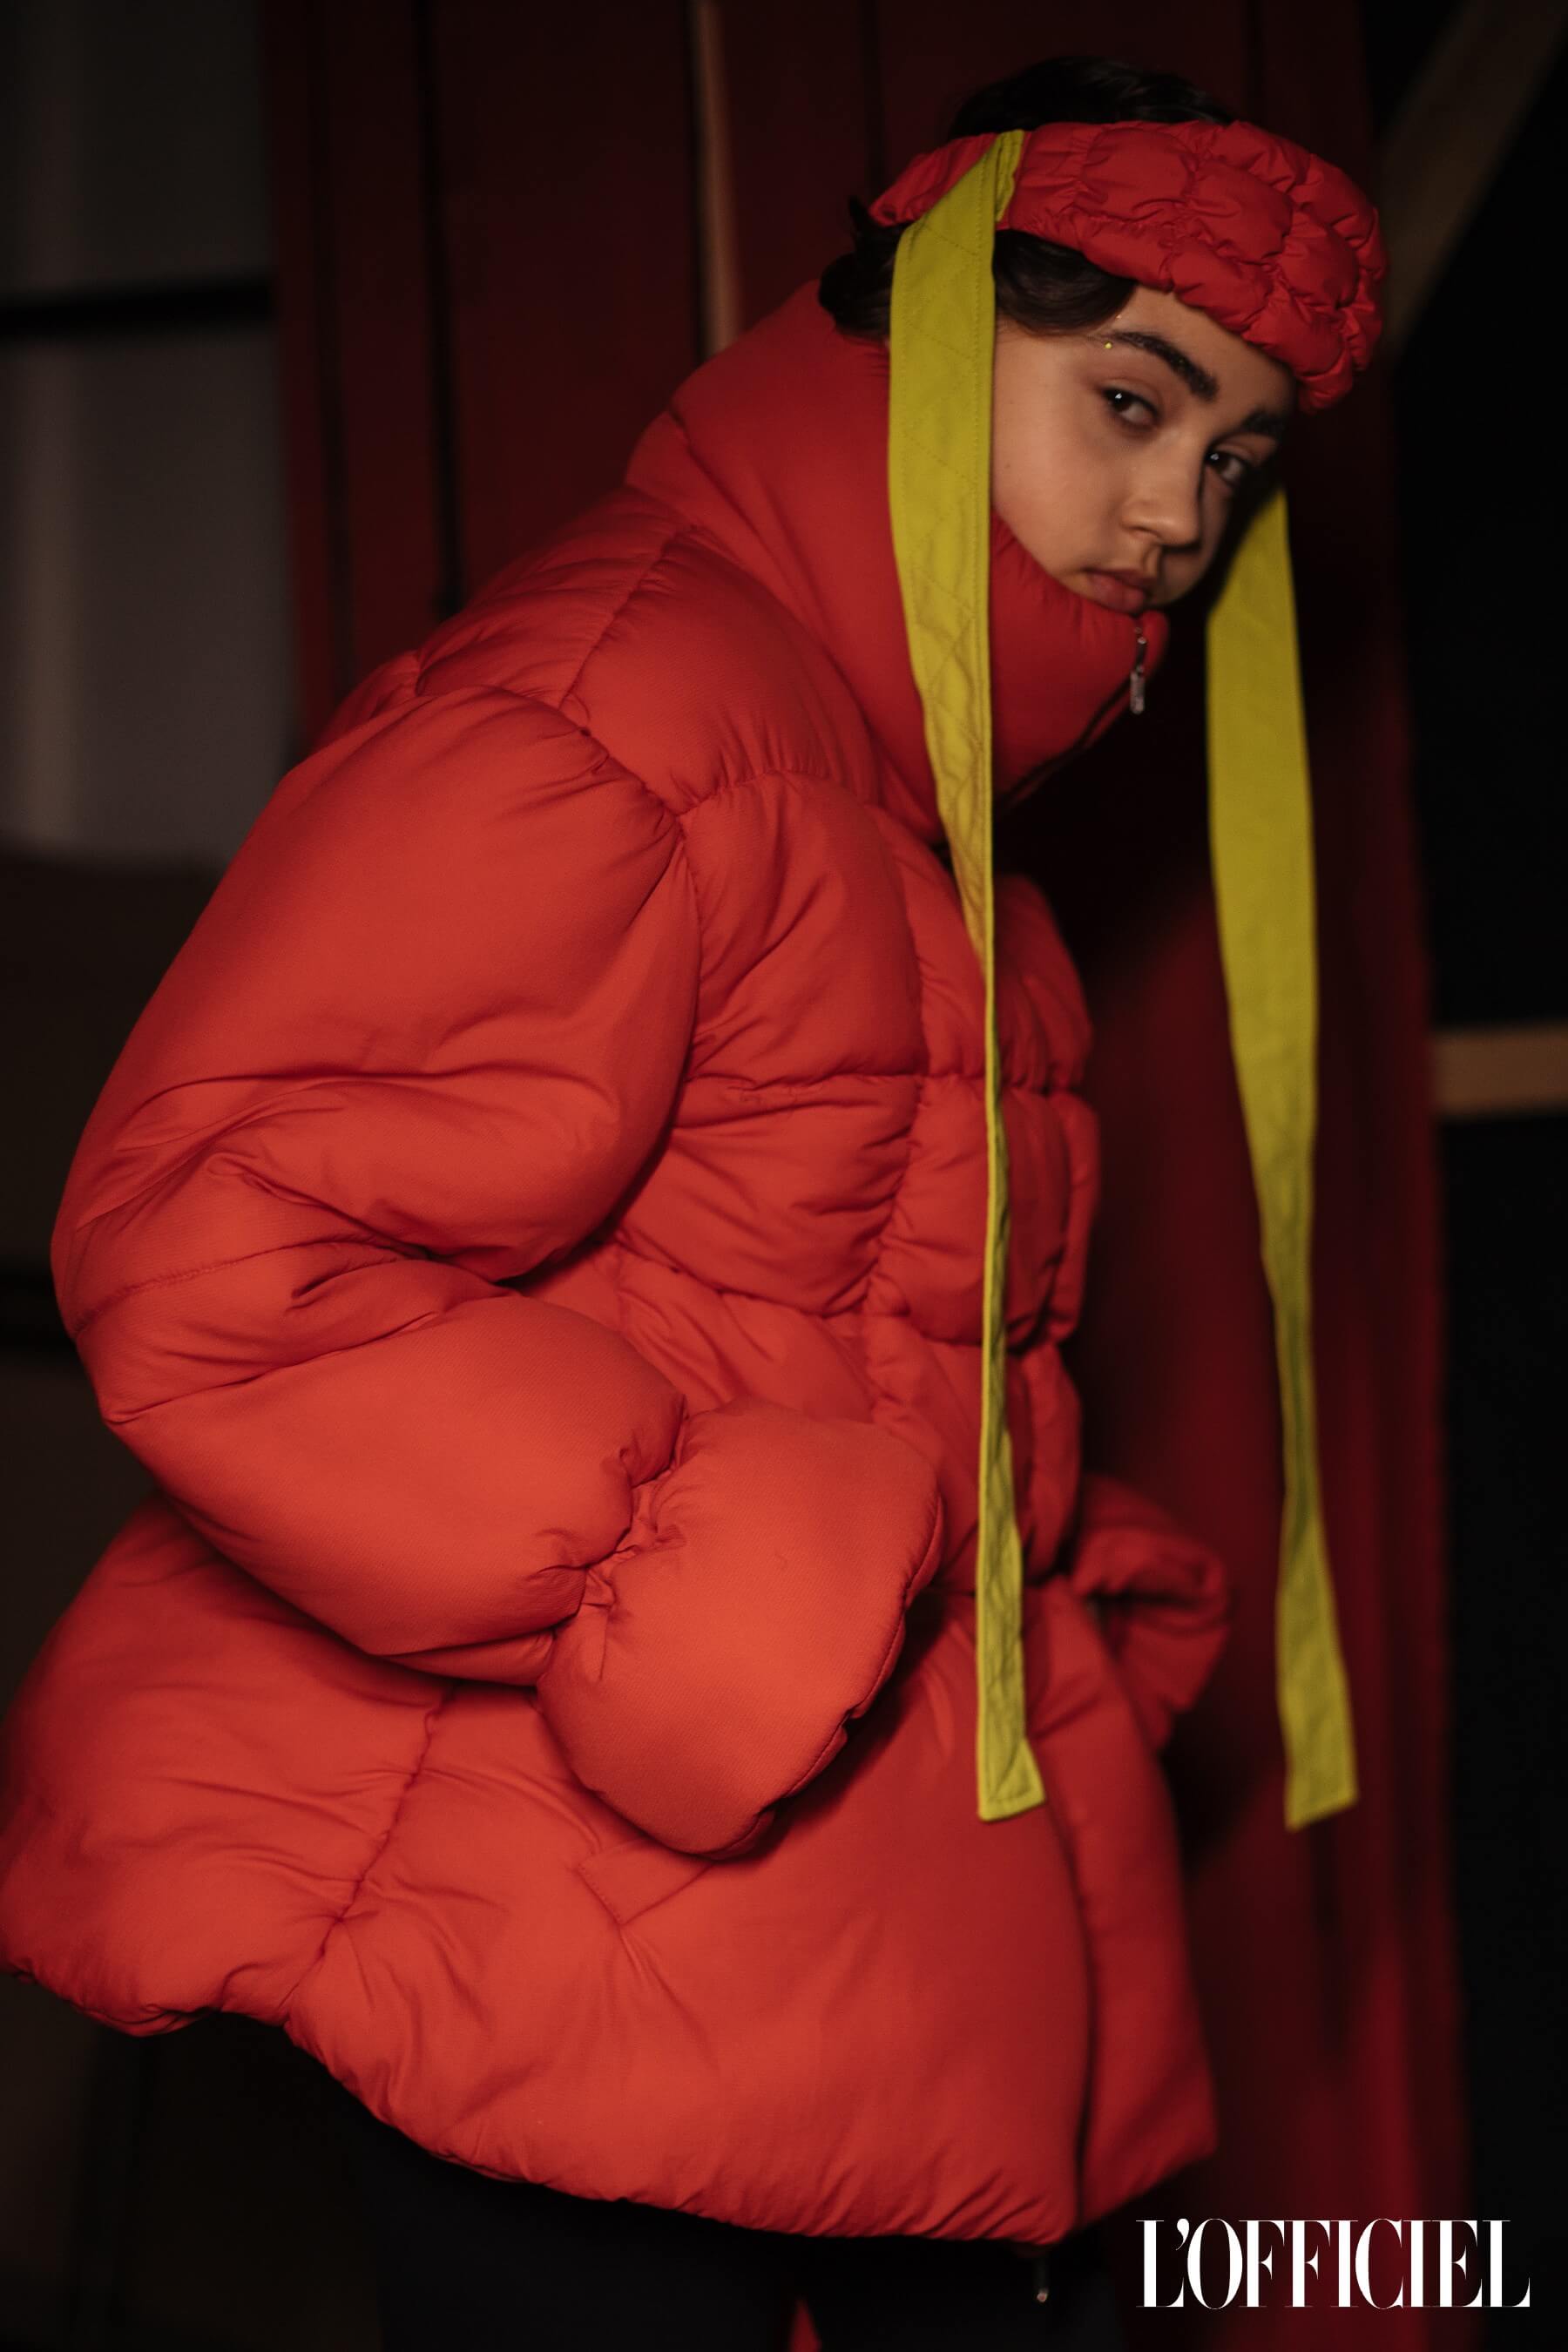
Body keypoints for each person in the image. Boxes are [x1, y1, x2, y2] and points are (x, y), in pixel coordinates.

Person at [0, 52, 1382, 2352]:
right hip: (571, 1894)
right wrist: (702, 1575)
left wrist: (1030, 1574)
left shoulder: (915, 808)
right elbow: (214, 1239)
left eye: (1233, 455)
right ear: (917, 341)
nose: (1178, 509)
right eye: (1131, 402)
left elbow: (826, 1292)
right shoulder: (620, 704)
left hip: (818, 1899)